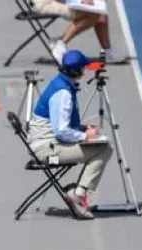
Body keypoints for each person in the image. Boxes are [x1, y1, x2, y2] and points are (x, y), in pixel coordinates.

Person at [27, 49, 112, 219]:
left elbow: (59, 124)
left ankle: (78, 192)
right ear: (76, 71)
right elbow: (61, 131)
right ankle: (78, 195)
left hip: (48, 144)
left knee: (99, 145)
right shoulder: (63, 94)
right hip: (48, 153)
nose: (85, 70)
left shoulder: (61, 84)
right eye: (83, 67)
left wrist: (82, 128)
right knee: (104, 149)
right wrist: (85, 136)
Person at [31, 0, 126, 64]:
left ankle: (107, 52)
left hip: (58, 1)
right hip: (44, 4)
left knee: (101, 16)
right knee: (95, 14)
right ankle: (60, 43)